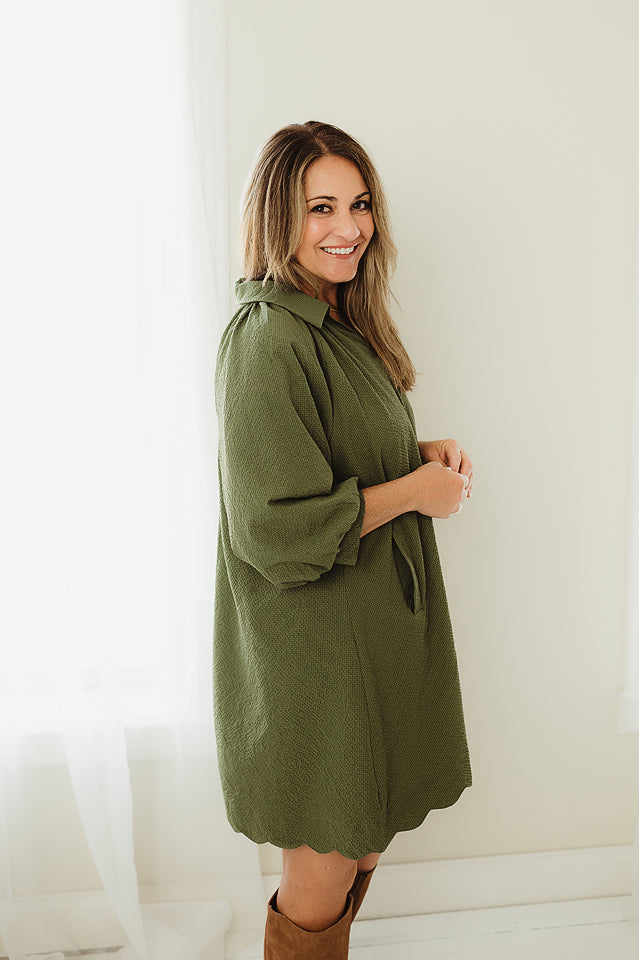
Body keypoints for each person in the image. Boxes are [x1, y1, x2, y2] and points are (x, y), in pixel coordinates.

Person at [213, 120, 474, 959]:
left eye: (358, 205)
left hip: (362, 635)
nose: (348, 227)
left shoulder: (334, 319)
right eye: (320, 207)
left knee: (360, 840)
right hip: (314, 649)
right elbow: (273, 526)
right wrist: (413, 493)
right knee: (324, 859)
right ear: (276, 216)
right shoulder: (266, 339)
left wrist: (414, 453)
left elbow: (327, 454)